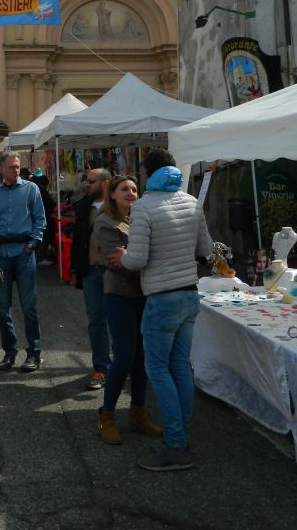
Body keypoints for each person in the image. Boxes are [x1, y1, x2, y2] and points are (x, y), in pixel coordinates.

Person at [110, 149, 212, 471]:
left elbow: (137, 260)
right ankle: (179, 437)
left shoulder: (144, 206)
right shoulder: (192, 202)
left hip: (162, 297)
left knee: (158, 369)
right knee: (180, 366)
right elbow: (206, 249)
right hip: (189, 293)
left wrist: (122, 257)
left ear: (147, 172)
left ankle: (175, 445)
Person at [93, 175, 163, 444]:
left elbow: (141, 256)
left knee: (142, 355)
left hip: (144, 293)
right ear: (112, 194)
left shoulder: (142, 219)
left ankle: (137, 413)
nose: (131, 193)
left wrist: (138, 259)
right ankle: (107, 415)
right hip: (119, 294)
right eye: (124, 189)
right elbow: (119, 262)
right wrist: (147, 263)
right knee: (124, 354)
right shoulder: (105, 221)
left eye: (134, 189)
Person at [0, 151, 46, 372]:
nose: (16, 170)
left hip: (24, 253)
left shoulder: (31, 189)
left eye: (17, 166)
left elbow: (40, 219)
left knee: (29, 306)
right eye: (11, 167)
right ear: (0, 169)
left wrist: (32, 244)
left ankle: (34, 353)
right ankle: (9, 352)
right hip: (2, 254)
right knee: (3, 308)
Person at [71, 168, 112, 390]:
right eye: (86, 180)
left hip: (115, 272)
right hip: (90, 272)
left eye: (91, 180)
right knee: (96, 321)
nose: (87, 183)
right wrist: (75, 269)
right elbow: (78, 240)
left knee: (120, 320)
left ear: (105, 183)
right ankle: (101, 368)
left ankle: (124, 366)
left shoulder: (119, 205)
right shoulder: (84, 206)